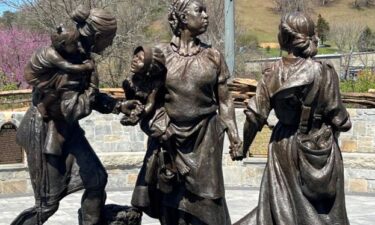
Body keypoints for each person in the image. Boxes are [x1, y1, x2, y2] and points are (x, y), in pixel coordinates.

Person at [12, 5, 141, 225]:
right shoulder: (70, 60)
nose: (110, 44)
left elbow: (88, 97)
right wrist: (91, 91)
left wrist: (119, 105)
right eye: (109, 39)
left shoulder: (82, 56)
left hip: (65, 130)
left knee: (96, 180)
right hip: (45, 132)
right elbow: (71, 109)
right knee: (47, 205)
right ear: (98, 36)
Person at [233, 12, 352, 225]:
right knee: (324, 213)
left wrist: (243, 147)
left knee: (282, 209)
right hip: (320, 146)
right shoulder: (324, 72)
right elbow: (339, 118)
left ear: (283, 38)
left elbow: (253, 117)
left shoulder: (272, 74)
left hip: (284, 146)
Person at [131, 1, 242, 224]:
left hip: (205, 138)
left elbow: (225, 100)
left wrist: (234, 136)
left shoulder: (213, 56)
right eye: (199, 10)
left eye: (205, 11)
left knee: (210, 201)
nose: (205, 15)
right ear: (182, 18)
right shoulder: (160, 54)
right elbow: (145, 97)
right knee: (171, 202)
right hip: (171, 141)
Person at [24, 26, 94, 120]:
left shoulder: (54, 50)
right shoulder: (51, 54)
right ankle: (43, 104)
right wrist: (86, 66)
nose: (78, 45)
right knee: (57, 88)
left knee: (60, 81)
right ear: (63, 44)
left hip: (40, 72)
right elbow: (68, 67)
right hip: (35, 77)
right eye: (74, 43)